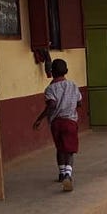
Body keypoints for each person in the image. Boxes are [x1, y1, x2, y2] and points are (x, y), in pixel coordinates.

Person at [33, 58, 82, 191]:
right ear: (66, 71)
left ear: (51, 72)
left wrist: (40, 118)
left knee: (60, 148)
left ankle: (61, 173)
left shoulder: (49, 89)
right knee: (70, 150)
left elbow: (51, 105)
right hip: (71, 121)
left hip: (56, 123)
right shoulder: (73, 86)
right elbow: (79, 103)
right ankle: (68, 174)